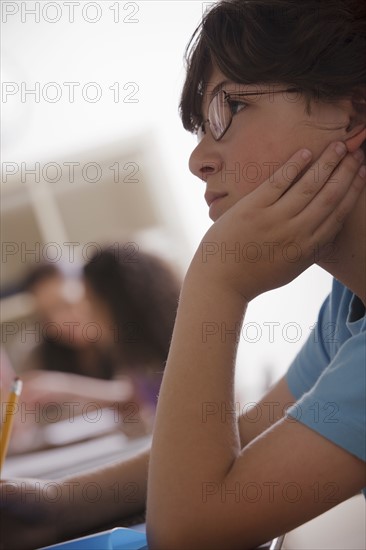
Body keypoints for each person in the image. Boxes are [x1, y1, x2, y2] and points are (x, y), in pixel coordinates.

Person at [1, 1, 365, 549]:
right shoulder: (346, 307)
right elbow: (252, 431)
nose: (198, 158)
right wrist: (50, 506)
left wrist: (216, 281)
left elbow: (189, 533)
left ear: (355, 114)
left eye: (231, 107)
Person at [12, 247, 180, 444]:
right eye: (47, 315)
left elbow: (134, 396)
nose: (60, 322)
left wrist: (66, 386)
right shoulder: (40, 352)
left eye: (67, 305)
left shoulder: (131, 343)